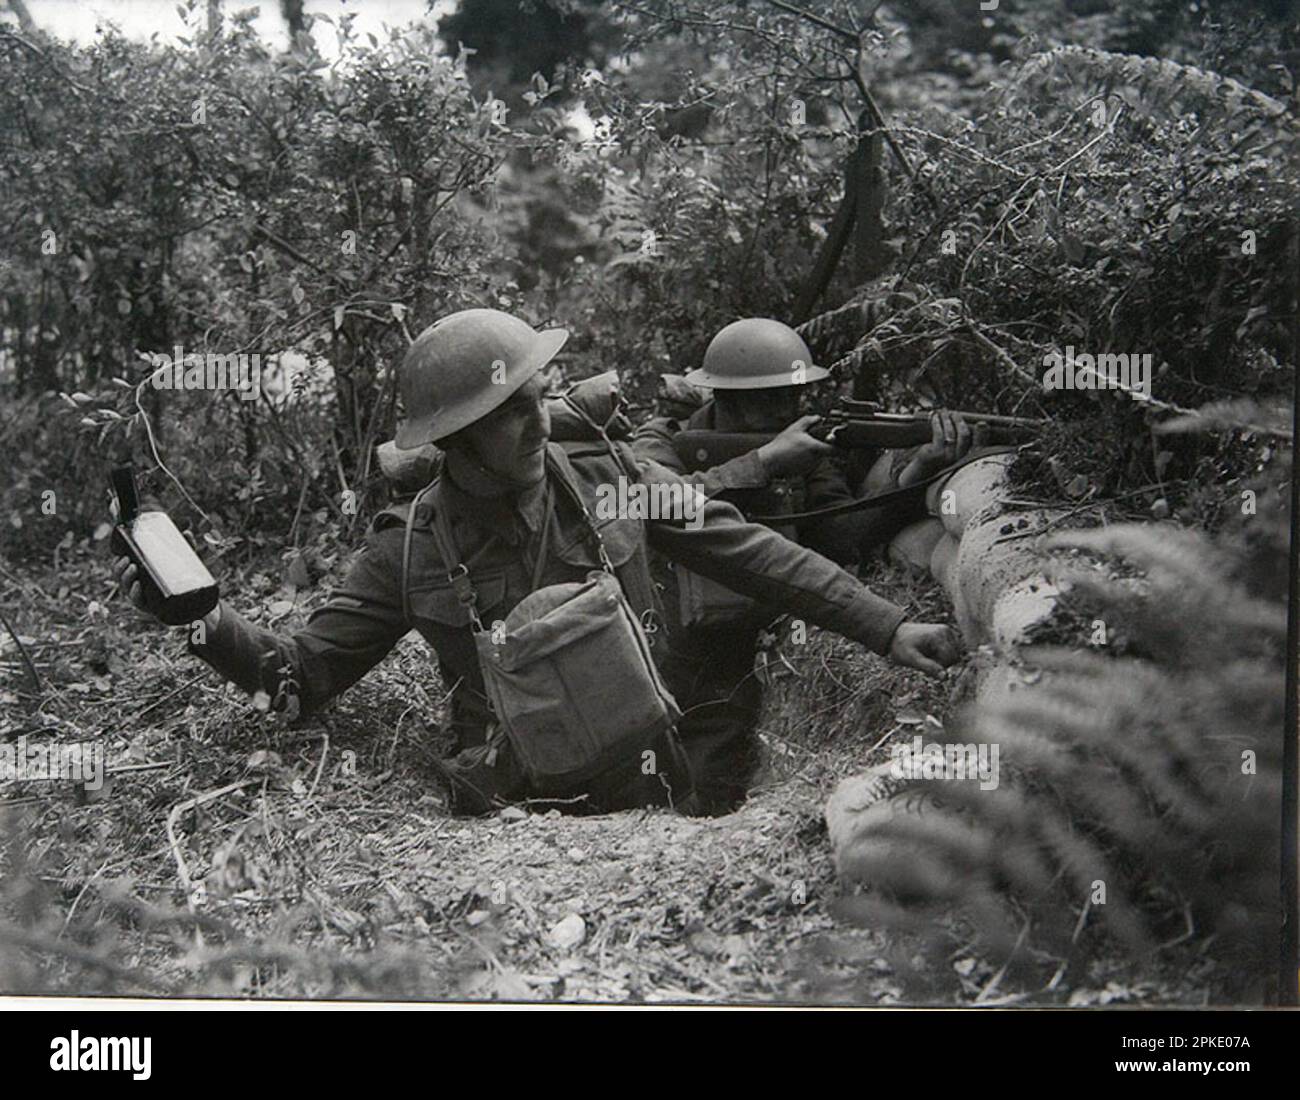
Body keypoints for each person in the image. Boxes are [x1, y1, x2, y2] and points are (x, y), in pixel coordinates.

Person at [115, 308, 962, 815]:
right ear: (453, 437)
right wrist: (202, 623)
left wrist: (888, 628)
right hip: (511, 812)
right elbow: (299, 675)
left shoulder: (611, 481)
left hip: (652, 784)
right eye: (510, 412)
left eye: (537, 401)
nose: (540, 423)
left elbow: (752, 555)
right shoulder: (406, 546)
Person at [631, 318, 979, 814]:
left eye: (791, 396)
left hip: (743, 643)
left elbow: (842, 538)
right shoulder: (661, 443)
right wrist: (764, 463)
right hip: (666, 643)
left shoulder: (805, 446)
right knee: (641, 774)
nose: (783, 410)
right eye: (767, 398)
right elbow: (646, 504)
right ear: (724, 398)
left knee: (709, 788)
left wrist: (920, 467)